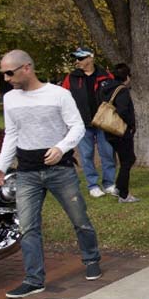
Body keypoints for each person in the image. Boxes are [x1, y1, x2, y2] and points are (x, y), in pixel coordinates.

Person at [0, 50, 101, 298]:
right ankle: (34, 279)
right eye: (3, 74)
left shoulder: (58, 95)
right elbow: (12, 134)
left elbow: (77, 126)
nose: (6, 78)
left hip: (59, 170)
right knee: (28, 228)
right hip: (27, 172)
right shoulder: (10, 99)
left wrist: (61, 148)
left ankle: (92, 259)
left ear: (26, 68)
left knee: (79, 219)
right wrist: (2, 166)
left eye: (9, 72)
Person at [61, 46, 116, 198]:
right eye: (76, 58)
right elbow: (64, 99)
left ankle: (109, 183)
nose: (77, 61)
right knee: (86, 155)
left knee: (107, 153)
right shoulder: (71, 78)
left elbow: (116, 95)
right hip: (82, 124)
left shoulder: (106, 76)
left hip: (104, 122)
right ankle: (93, 185)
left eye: (80, 58)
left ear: (90, 58)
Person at [98, 63, 138, 203]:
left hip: (108, 130)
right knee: (128, 160)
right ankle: (123, 193)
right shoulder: (122, 90)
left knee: (125, 159)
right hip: (120, 130)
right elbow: (122, 110)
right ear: (127, 76)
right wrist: (131, 124)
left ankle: (119, 188)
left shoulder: (105, 89)